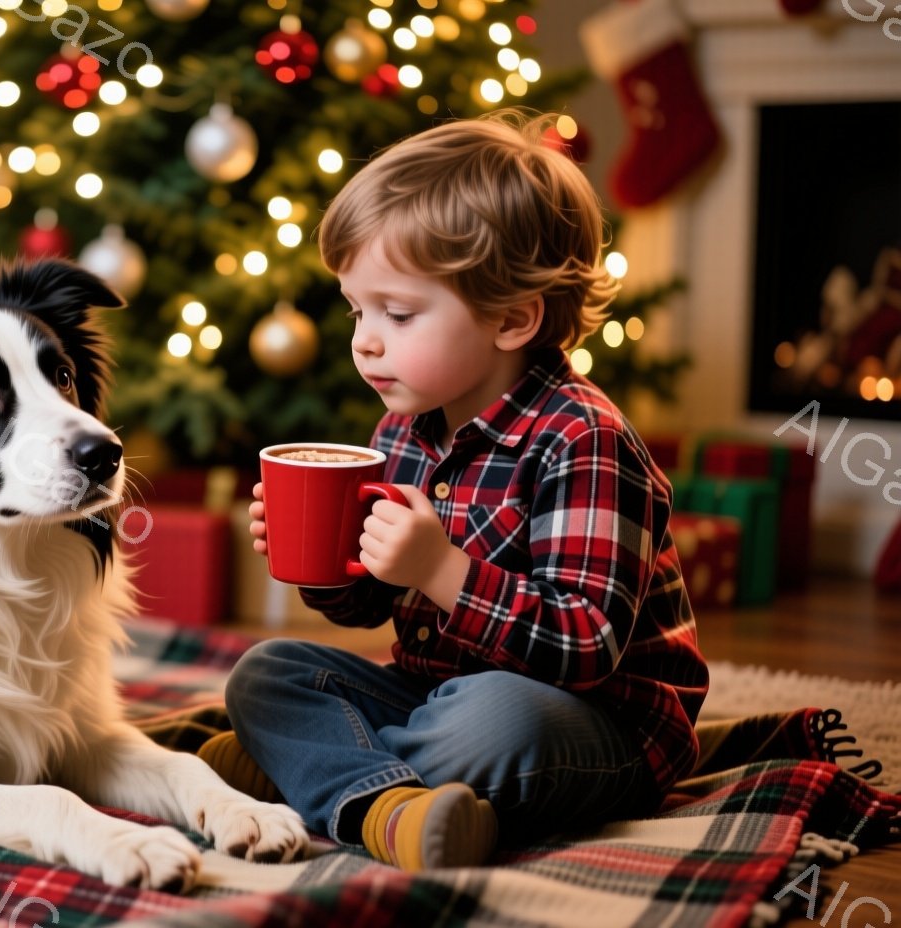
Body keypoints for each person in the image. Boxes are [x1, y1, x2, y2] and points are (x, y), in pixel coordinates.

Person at [202, 113, 709, 872]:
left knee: (492, 718)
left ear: (511, 318)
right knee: (268, 673)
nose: (365, 340)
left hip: (593, 723)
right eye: (357, 310)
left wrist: (441, 572)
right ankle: (385, 803)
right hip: (431, 697)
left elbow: (584, 649)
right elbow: (372, 605)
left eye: (398, 313)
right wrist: (328, 565)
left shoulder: (584, 440)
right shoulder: (401, 432)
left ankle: (317, 772)